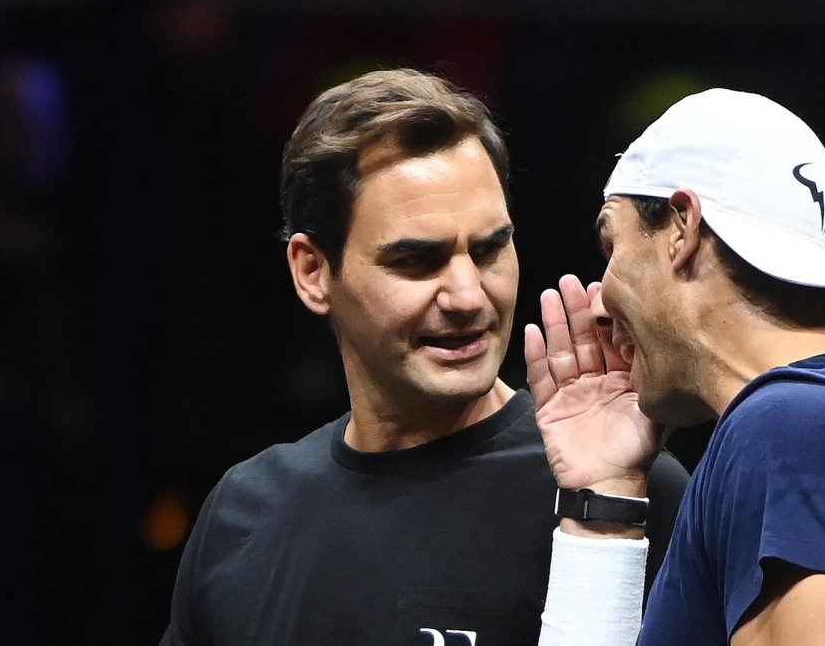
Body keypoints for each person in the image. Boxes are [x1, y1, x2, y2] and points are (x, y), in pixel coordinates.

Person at [159, 68, 689, 645]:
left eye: (490, 249)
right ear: (312, 272)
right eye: (416, 260)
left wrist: (607, 508)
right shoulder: (244, 517)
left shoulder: (625, 491)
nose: (468, 297)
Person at [526, 88, 825, 645]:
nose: (601, 303)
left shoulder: (794, 430)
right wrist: (603, 501)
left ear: (682, 227)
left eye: (613, 246)